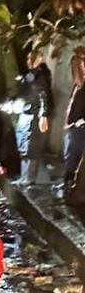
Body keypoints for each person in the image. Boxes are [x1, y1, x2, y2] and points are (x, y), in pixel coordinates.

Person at [15, 49, 53, 185]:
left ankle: (29, 178)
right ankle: (24, 176)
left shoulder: (41, 75)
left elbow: (44, 95)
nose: (27, 61)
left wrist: (43, 115)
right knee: (24, 146)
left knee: (32, 148)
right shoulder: (30, 75)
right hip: (25, 113)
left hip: (34, 115)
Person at [59, 51, 85, 200]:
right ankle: (67, 183)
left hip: (79, 127)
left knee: (74, 156)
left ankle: (70, 184)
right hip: (72, 126)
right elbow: (73, 105)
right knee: (70, 156)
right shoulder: (78, 85)